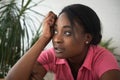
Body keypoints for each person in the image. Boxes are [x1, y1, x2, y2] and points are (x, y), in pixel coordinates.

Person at [6, 4, 120, 80]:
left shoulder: (102, 58)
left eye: (67, 33)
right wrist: (44, 38)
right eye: (55, 31)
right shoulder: (53, 56)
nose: (56, 39)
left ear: (87, 37)